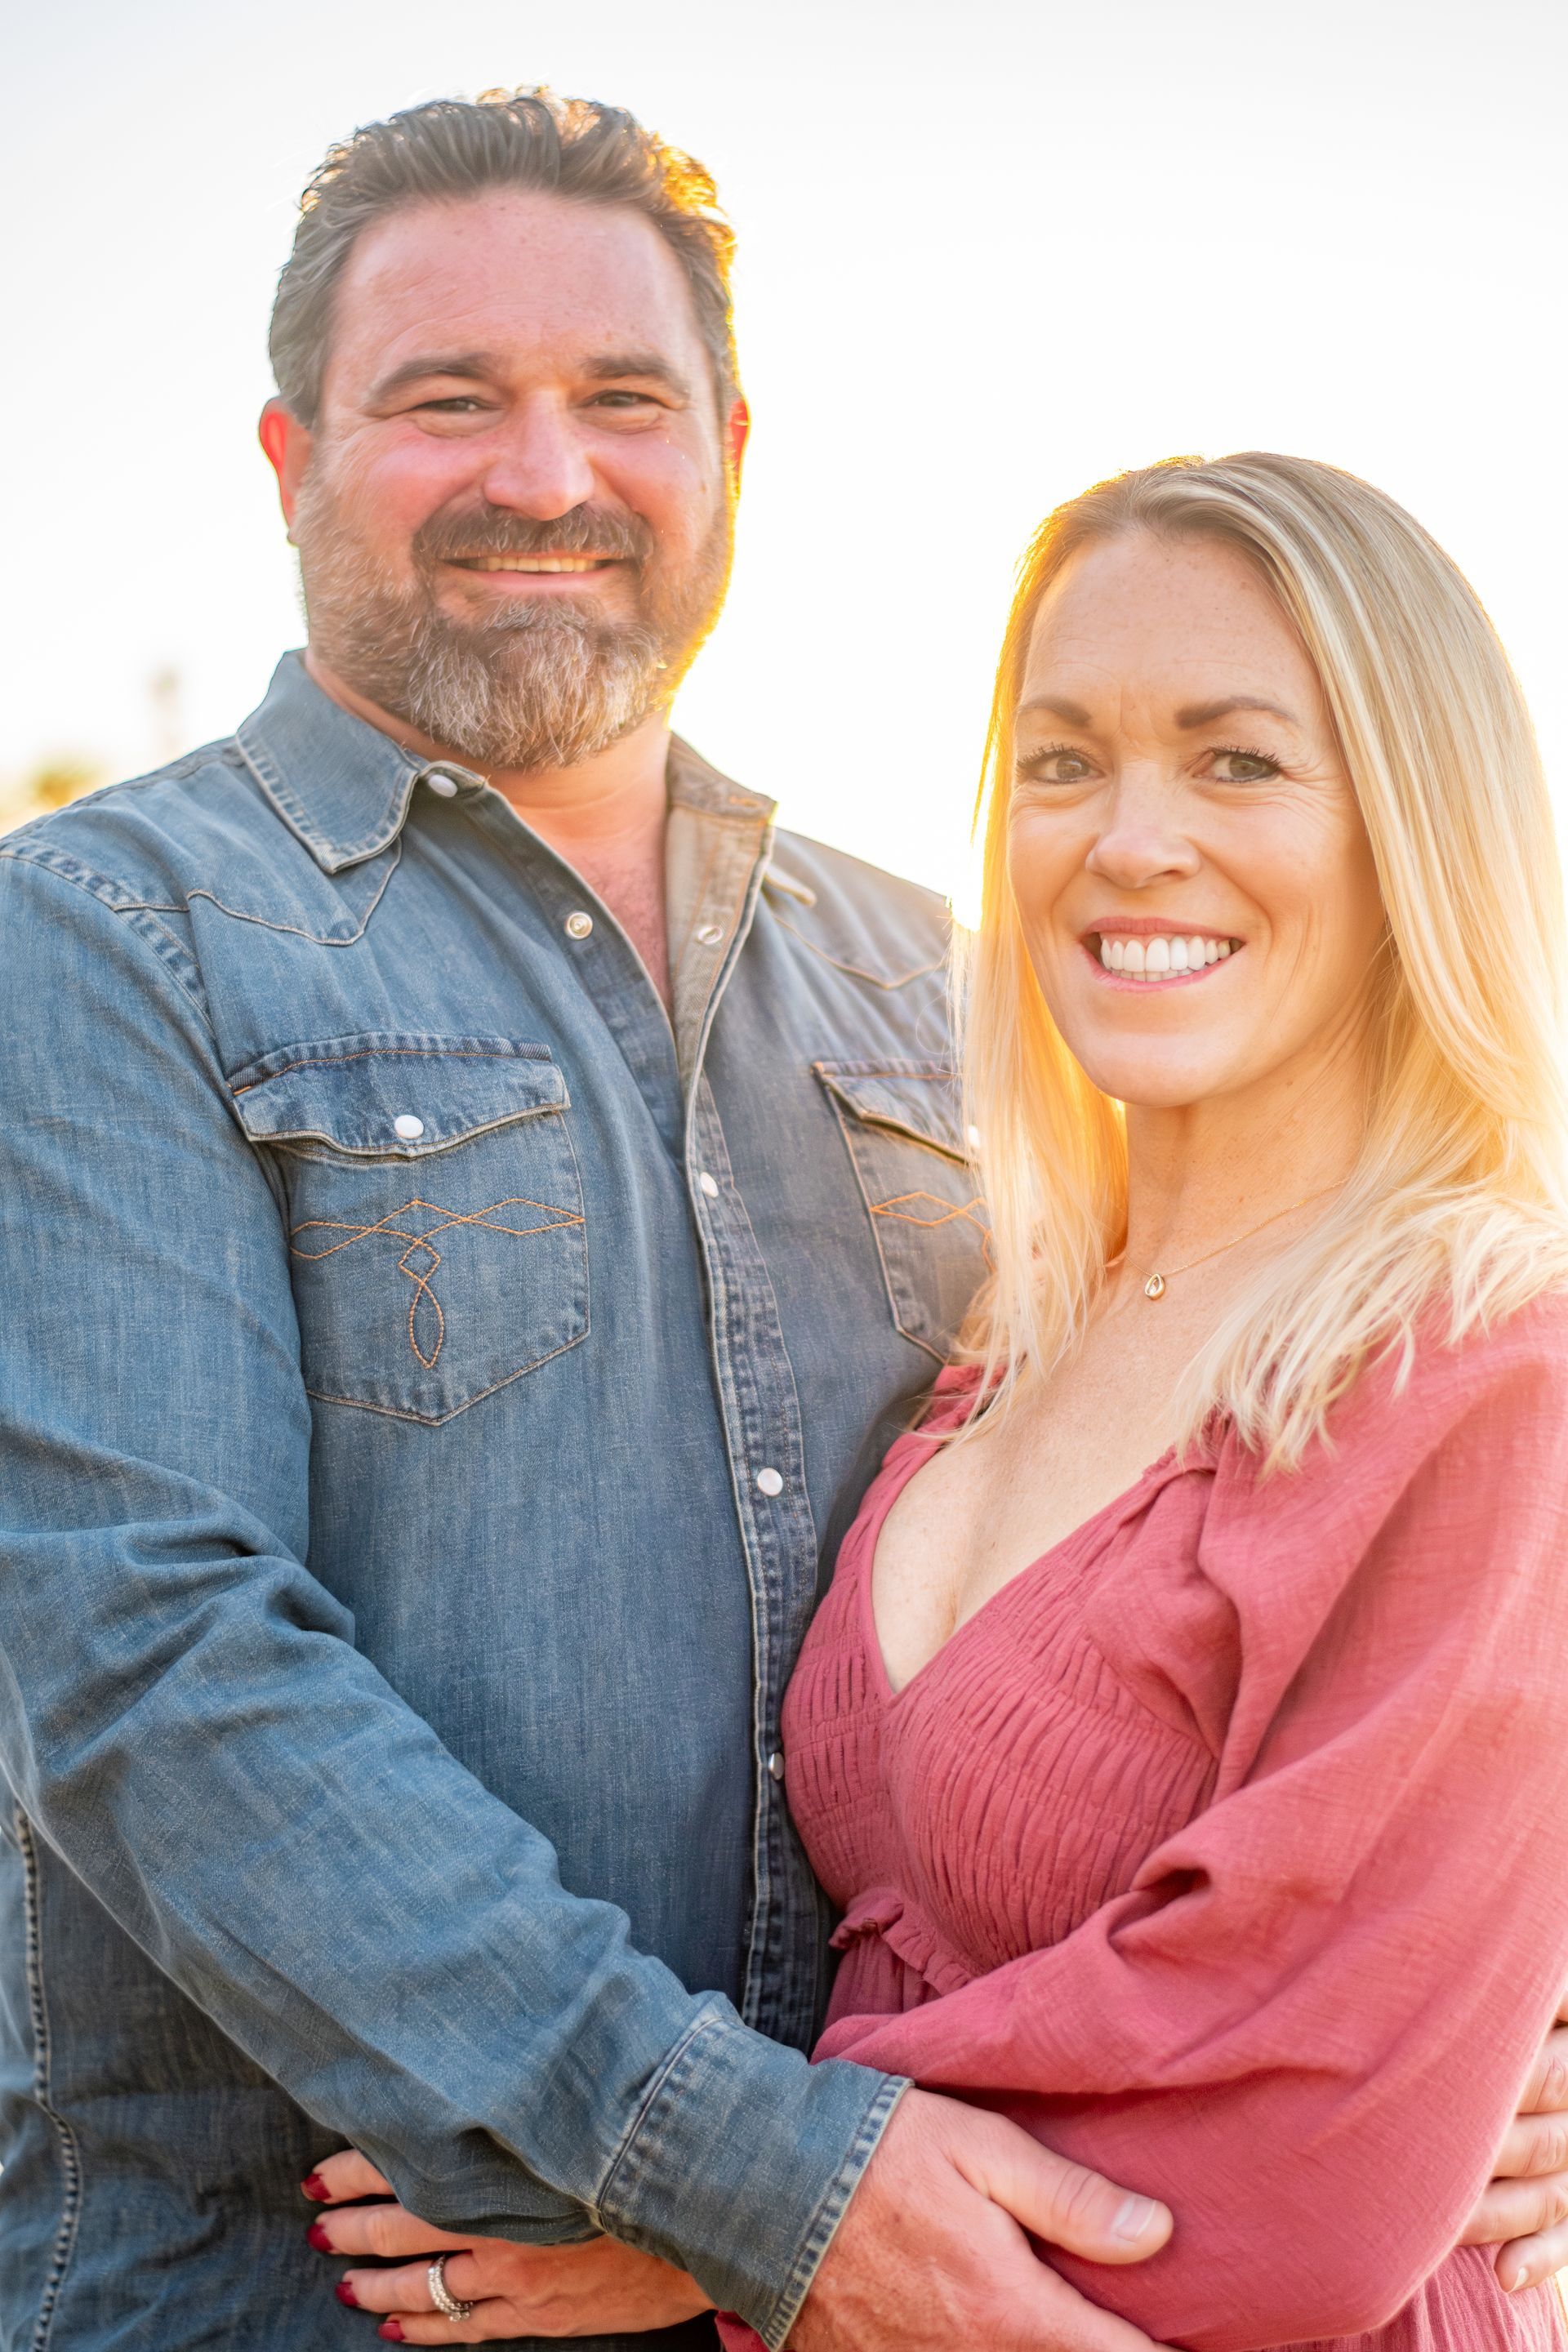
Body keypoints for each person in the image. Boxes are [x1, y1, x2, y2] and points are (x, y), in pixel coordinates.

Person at [0, 86, 1561, 2352]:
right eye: (449, 401)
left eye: (622, 401)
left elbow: (1362, 1586)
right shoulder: (106, 942)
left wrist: (1479, 1999)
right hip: (324, 2297)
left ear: (733, 448)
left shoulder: (936, 987)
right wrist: (755, 2184)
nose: (549, 472)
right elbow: (151, 1663)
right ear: (287, 460)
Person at [698, 452, 1568, 2351]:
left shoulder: (1490, 1363)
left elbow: (1293, 2157)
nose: (1132, 838)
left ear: (1411, 824)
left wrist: (693, 2205)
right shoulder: (1005, 1329)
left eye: (1239, 761)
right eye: (1066, 757)